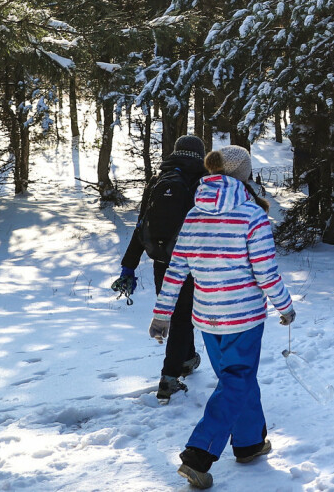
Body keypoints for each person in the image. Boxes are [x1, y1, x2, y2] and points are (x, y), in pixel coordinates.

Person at [151, 145, 295, 490]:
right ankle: (198, 455)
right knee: (237, 380)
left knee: (237, 380)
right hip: (243, 317)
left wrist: (162, 315)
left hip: (207, 318)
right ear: (244, 175)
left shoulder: (195, 214)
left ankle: (248, 444)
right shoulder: (251, 215)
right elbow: (266, 272)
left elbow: (176, 271)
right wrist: (284, 306)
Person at [111, 134, 207, 403]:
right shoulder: (202, 181)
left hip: (162, 261)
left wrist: (128, 267)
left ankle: (186, 359)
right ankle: (169, 378)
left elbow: (142, 225)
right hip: (190, 263)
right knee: (181, 318)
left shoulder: (157, 180)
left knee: (177, 315)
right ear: (200, 155)